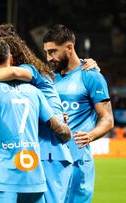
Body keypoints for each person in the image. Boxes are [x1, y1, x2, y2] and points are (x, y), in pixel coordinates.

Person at [0, 38, 71, 203]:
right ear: (11, 60)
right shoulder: (34, 92)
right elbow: (62, 131)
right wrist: (67, 131)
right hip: (33, 178)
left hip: (0, 177)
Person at [43, 24, 114, 203]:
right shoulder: (48, 78)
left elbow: (107, 119)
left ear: (69, 48)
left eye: (53, 52)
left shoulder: (90, 76)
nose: (48, 58)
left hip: (77, 162)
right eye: (46, 52)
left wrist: (90, 136)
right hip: (49, 161)